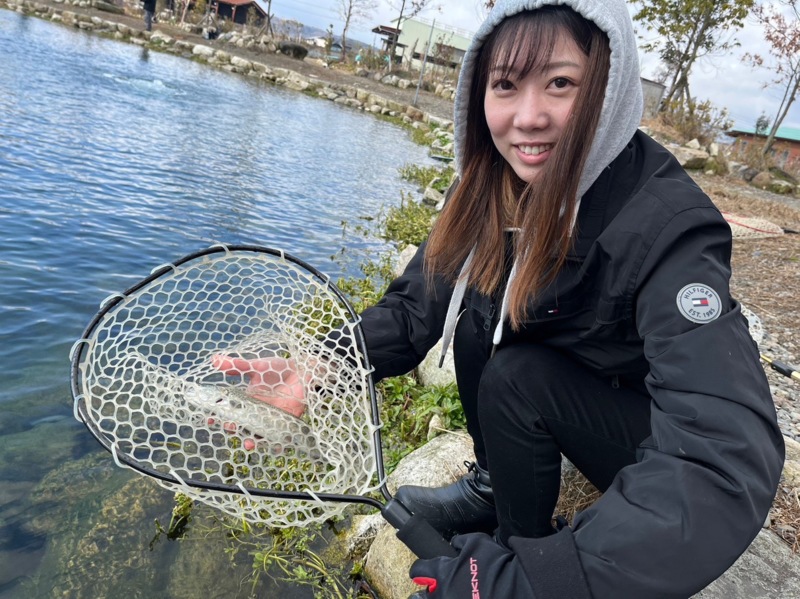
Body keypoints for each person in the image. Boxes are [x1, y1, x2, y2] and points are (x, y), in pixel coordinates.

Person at [219, 0, 784, 595]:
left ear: (607, 88)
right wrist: (323, 363)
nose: (528, 118)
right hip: (560, 381)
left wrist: (541, 580)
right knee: (476, 320)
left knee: (517, 375)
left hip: (637, 431)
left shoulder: (668, 224)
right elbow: (416, 307)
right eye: (505, 86)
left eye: (560, 83)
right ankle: (498, 488)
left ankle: (524, 554)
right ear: (477, 94)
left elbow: (723, 454)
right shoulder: (491, 181)